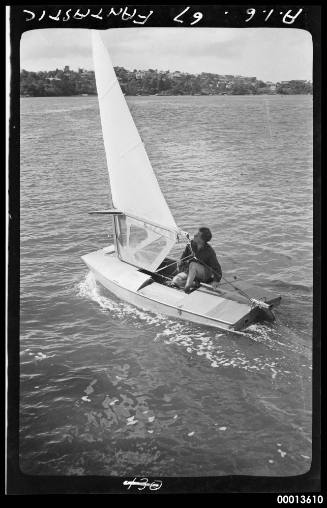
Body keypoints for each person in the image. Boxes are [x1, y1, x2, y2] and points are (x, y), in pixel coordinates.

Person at [172, 227, 222, 293]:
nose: (195, 235)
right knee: (176, 280)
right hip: (191, 272)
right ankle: (195, 284)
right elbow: (184, 257)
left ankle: (187, 287)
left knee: (193, 264)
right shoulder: (191, 244)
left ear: (202, 240)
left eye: (198, 234)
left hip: (204, 274)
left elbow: (217, 268)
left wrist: (216, 281)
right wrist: (180, 262)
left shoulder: (209, 251)